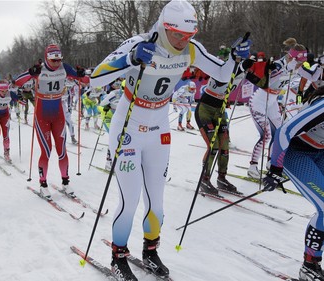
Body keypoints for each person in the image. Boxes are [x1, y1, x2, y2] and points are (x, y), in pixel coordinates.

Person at [90, 0, 253, 279]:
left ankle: (150, 251)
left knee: (157, 201)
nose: (182, 40)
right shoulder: (139, 43)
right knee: (129, 201)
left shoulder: (191, 49)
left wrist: (235, 58)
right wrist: (129, 60)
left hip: (159, 129)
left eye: (189, 35)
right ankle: (118, 256)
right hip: (128, 126)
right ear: (164, 27)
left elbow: (223, 74)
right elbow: (95, 79)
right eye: (177, 34)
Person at [262, 85, 324, 281]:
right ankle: (309, 264)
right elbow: (283, 132)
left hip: (319, 151)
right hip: (294, 153)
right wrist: (275, 169)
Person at [15, 44, 84, 200]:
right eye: (53, 60)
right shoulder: (39, 69)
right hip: (42, 115)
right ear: (47, 58)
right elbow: (17, 82)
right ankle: (43, 184)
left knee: (62, 150)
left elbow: (84, 78)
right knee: (46, 151)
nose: (57, 63)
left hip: (58, 113)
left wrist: (81, 73)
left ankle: (65, 182)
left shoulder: (64, 67)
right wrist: (30, 73)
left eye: (59, 59)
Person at [246, 38, 321, 179]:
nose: (300, 64)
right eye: (299, 61)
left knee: (279, 132)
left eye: (302, 62)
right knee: (266, 135)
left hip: (273, 101)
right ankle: (253, 166)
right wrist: (288, 68)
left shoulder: (297, 66)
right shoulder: (279, 64)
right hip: (260, 100)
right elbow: (269, 80)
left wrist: (318, 67)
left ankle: (270, 163)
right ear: (292, 57)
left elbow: (312, 77)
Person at [194, 40, 252, 195]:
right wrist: (237, 60)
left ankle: (221, 178)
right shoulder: (224, 69)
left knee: (224, 148)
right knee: (213, 147)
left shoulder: (242, 71)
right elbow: (226, 73)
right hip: (205, 110)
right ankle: (204, 180)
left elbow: (262, 81)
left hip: (220, 111)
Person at [99, 79, 124, 171]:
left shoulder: (131, 94)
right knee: (114, 138)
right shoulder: (114, 93)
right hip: (108, 116)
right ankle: (108, 162)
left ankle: (119, 160)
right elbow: (102, 104)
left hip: (119, 117)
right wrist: (107, 106)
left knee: (122, 138)